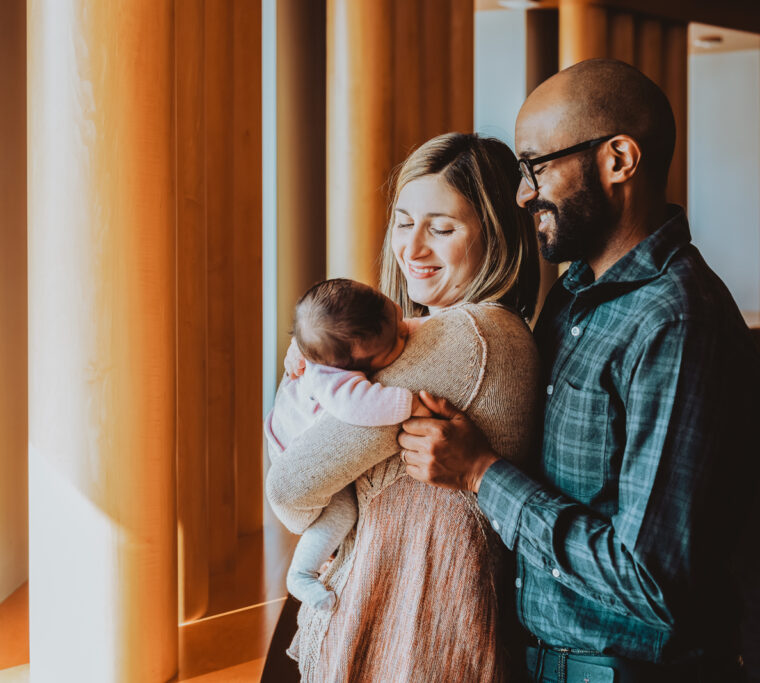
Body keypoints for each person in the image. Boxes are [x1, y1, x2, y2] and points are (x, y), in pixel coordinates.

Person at [398, 58, 760, 682]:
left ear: (619, 160)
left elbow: (652, 582)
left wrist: (482, 472)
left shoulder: (675, 320)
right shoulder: (573, 293)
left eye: (536, 165)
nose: (522, 192)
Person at [265, 132, 541, 682]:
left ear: (498, 236)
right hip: (391, 628)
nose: (412, 249)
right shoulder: (428, 334)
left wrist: (310, 375)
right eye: (402, 221)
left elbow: (290, 491)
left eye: (441, 229)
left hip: (413, 644)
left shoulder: (469, 336)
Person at [265, 278, 423, 611]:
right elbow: (362, 406)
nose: (404, 332)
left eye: (394, 314)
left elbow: (402, 325)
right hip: (293, 448)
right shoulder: (331, 378)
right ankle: (302, 573)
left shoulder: (337, 337)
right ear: (348, 367)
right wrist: (411, 403)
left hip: (282, 422)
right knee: (342, 511)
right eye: (391, 346)